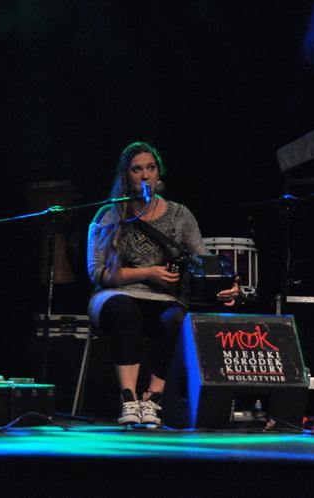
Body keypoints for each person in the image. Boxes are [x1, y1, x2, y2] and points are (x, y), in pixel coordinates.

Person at [87, 142, 239, 426]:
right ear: (126, 175)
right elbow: (97, 272)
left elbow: (203, 260)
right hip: (114, 294)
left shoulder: (180, 215)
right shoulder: (109, 214)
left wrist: (227, 284)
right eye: (137, 169)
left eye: (150, 168)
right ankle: (129, 398)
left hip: (162, 297)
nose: (145, 175)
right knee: (125, 310)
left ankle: (152, 399)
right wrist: (147, 273)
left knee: (177, 318)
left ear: (159, 173)